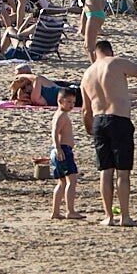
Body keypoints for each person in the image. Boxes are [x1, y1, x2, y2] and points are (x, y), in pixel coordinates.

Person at [81, 38, 137, 227]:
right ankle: (125, 216)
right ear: (110, 51)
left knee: (105, 171)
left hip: (99, 121)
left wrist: (90, 128)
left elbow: (85, 111)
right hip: (119, 119)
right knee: (123, 172)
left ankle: (108, 216)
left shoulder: (87, 74)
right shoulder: (115, 62)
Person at [48, 84, 85, 220]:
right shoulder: (61, 115)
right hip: (62, 150)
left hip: (60, 150)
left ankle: (56, 212)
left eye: (73, 102)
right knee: (71, 180)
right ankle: (70, 211)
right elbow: (54, 132)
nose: (71, 105)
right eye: (68, 102)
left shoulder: (60, 115)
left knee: (62, 182)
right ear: (60, 101)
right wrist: (58, 148)